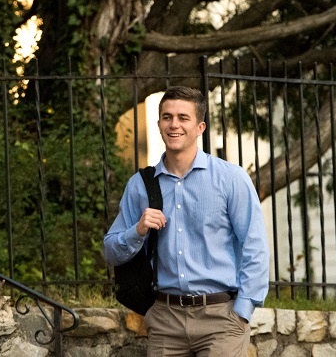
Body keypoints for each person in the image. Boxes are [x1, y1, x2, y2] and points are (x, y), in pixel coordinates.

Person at [104, 86, 269, 356]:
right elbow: (111, 250)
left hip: (222, 319)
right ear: (159, 124)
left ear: (200, 126)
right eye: (167, 117)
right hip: (165, 319)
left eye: (183, 117)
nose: (174, 124)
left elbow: (255, 246)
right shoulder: (141, 185)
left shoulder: (230, 179)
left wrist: (243, 311)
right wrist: (138, 230)